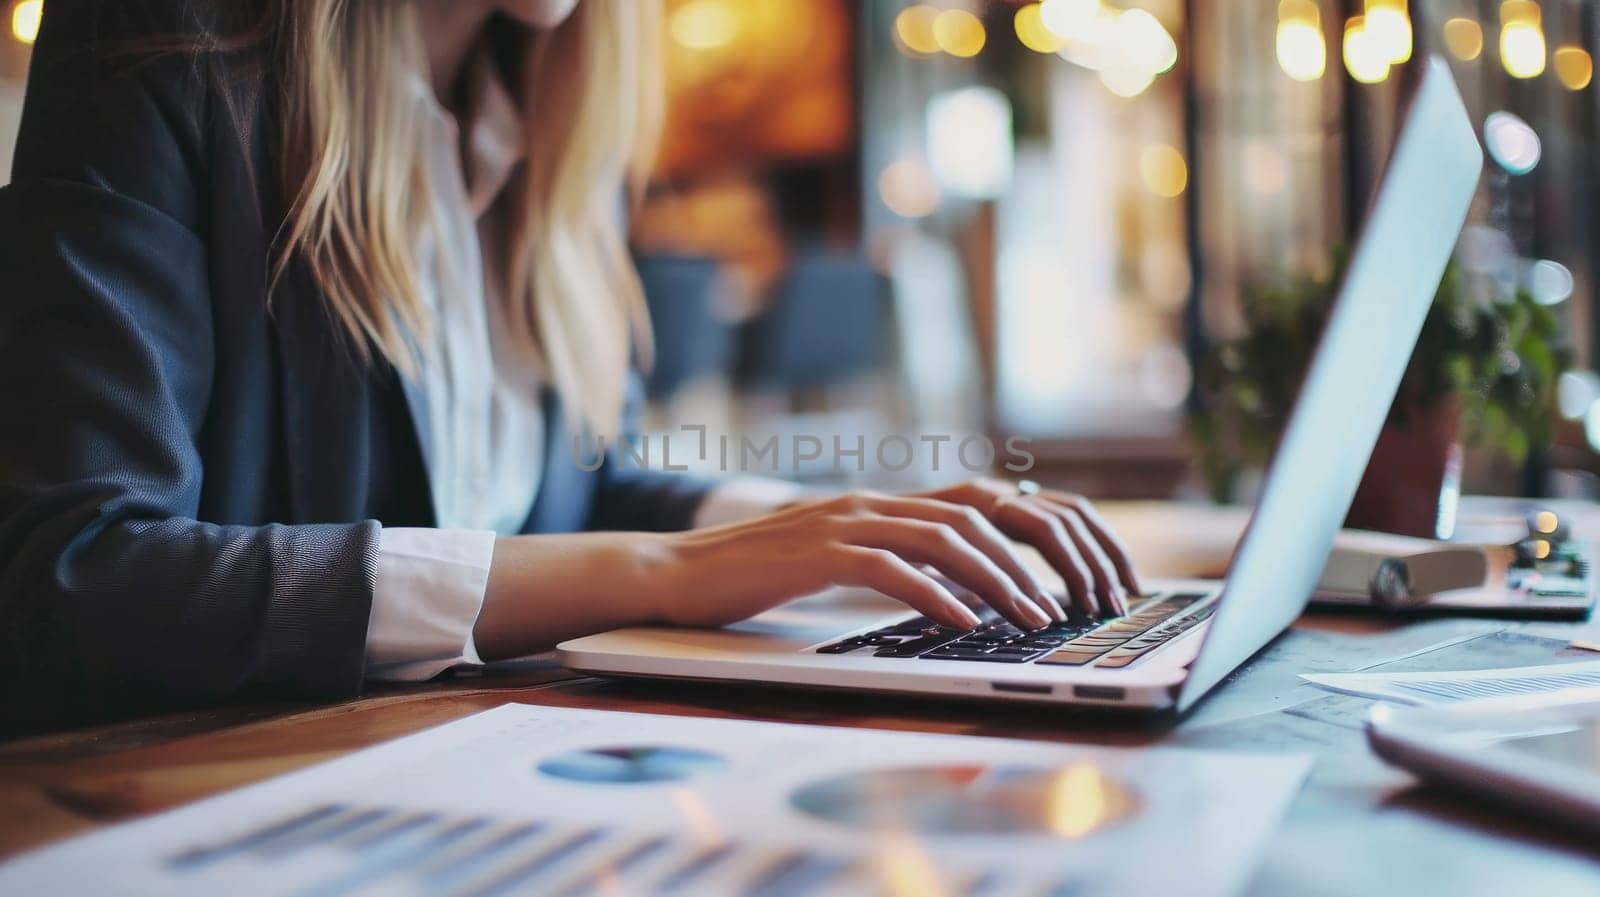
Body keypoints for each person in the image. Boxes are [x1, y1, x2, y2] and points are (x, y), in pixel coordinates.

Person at [0, 0, 1138, 736]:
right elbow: (75, 576)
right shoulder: (160, 46)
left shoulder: (553, 135)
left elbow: (574, 498)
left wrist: (846, 535)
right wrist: (657, 569)